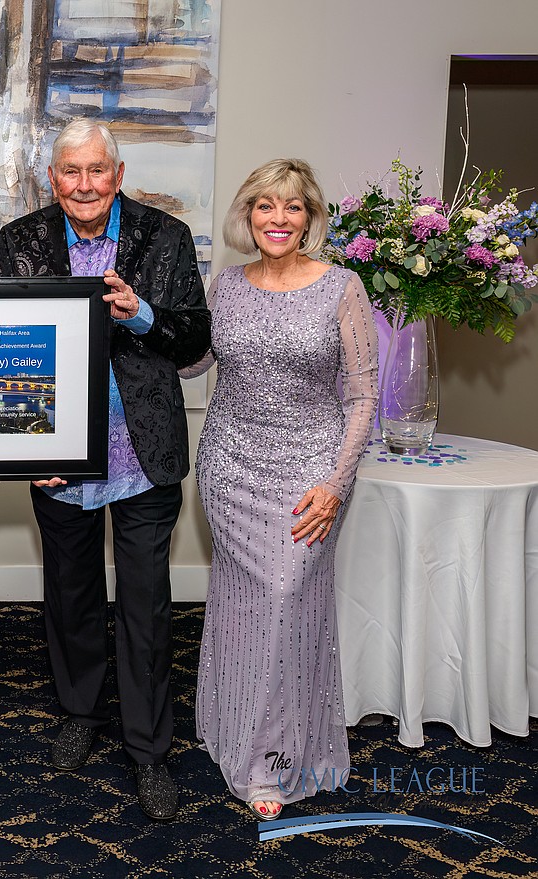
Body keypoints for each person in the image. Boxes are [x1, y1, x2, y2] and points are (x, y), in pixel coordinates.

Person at [0, 119, 211, 822]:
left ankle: (150, 751)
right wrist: (26, 447)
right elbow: (7, 352)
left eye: (96, 171)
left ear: (117, 174)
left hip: (142, 452)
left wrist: (142, 313)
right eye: (69, 172)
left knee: (146, 605)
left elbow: (195, 337)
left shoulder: (163, 236)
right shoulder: (21, 240)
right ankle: (79, 710)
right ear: (51, 178)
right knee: (71, 593)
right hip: (57, 457)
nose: (83, 185)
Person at [182, 158, 378, 821]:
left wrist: (335, 481)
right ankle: (230, 728)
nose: (278, 218)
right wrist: (140, 314)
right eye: (265, 205)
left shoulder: (342, 288)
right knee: (243, 602)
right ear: (248, 215)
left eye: (292, 207)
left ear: (311, 218)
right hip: (230, 465)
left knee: (285, 594)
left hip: (308, 470)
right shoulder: (226, 287)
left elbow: (362, 394)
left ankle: (275, 756)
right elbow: (193, 360)